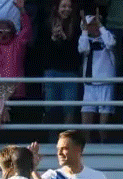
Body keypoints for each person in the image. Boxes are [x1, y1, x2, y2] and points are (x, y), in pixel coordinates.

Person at [41, 0, 81, 130]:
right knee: (51, 110)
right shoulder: (47, 24)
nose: (66, 9)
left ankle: (67, 143)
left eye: (69, 6)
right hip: (52, 73)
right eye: (63, 6)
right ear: (57, 8)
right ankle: (52, 143)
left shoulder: (76, 26)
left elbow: (77, 53)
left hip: (70, 73)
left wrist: (64, 39)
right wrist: (53, 39)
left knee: (69, 111)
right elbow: (41, 51)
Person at [78, 11, 116, 144]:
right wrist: (83, 32)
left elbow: (111, 44)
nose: (92, 27)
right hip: (89, 85)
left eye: (94, 24)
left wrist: (101, 27)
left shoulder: (108, 36)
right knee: (85, 126)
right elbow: (82, 49)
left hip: (105, 83)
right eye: (89, 25)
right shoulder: (84, 39)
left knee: (103, 127)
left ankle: (104, 146)